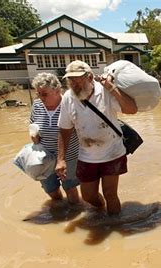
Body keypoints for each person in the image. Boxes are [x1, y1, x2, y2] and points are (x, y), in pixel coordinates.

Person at [56, 60, 138, 215]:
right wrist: (61, 159)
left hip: (113, 152)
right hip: (87, 156)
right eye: (70, 79)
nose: (74, 83)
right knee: (88, 196)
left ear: (90, 77)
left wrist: (112, 88)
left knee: (110, 194)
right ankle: (100, 211)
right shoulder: (68, 97)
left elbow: (132, 109)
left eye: (78, 78)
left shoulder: (106, 91)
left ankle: (114, 228)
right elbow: (64, 129)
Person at [30, 72, 80, 203]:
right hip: (45, 157)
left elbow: (81, 131)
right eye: (38, 94)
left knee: (70, 189)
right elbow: (32, 124)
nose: (41, 97)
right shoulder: (36, 105)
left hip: (69, 156)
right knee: (51, 190)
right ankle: (59, 213)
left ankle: (75, 216)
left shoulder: (69, 105)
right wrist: (34, 136)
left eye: (44, 94)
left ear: (57, 90)